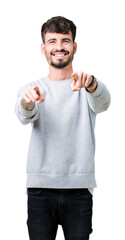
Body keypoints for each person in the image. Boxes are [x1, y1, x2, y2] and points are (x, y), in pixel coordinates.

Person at [15, 16, 111, 240]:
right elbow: (23, 115)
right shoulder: (32, 88)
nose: (59, 47)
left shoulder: (88, 86)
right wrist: (27, 102)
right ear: (43, 48)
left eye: (65, 41)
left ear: (74, 46)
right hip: (40, 190)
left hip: (79, 191)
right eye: (52, 41)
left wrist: (92, 84)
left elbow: (104, 103)